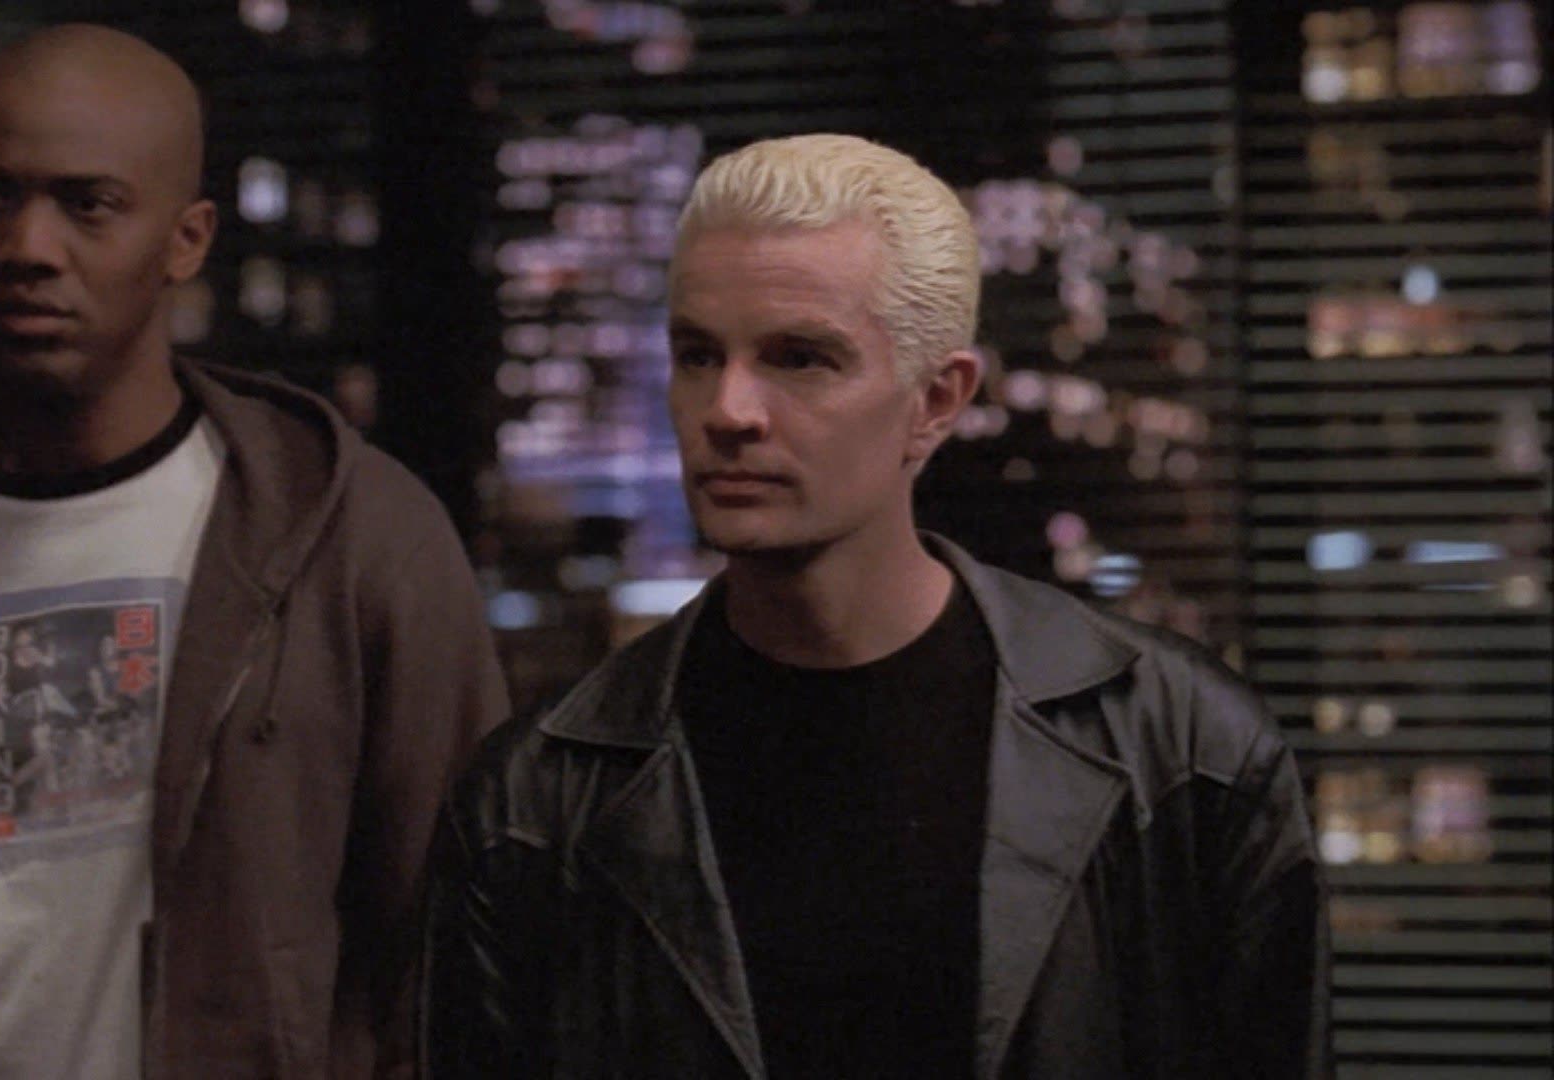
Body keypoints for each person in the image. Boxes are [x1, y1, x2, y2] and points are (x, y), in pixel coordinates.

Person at [0, 23, 508, 1078]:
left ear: (187, 240)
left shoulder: (358, 543)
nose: (27, 246)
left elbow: (459, 960)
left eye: (88, 204)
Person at [424, 134, 1327, 1079]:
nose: (728, 410)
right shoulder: (533, 804)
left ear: (936, 400)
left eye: (800, 358)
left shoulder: (1185, 752)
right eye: (697, 355)